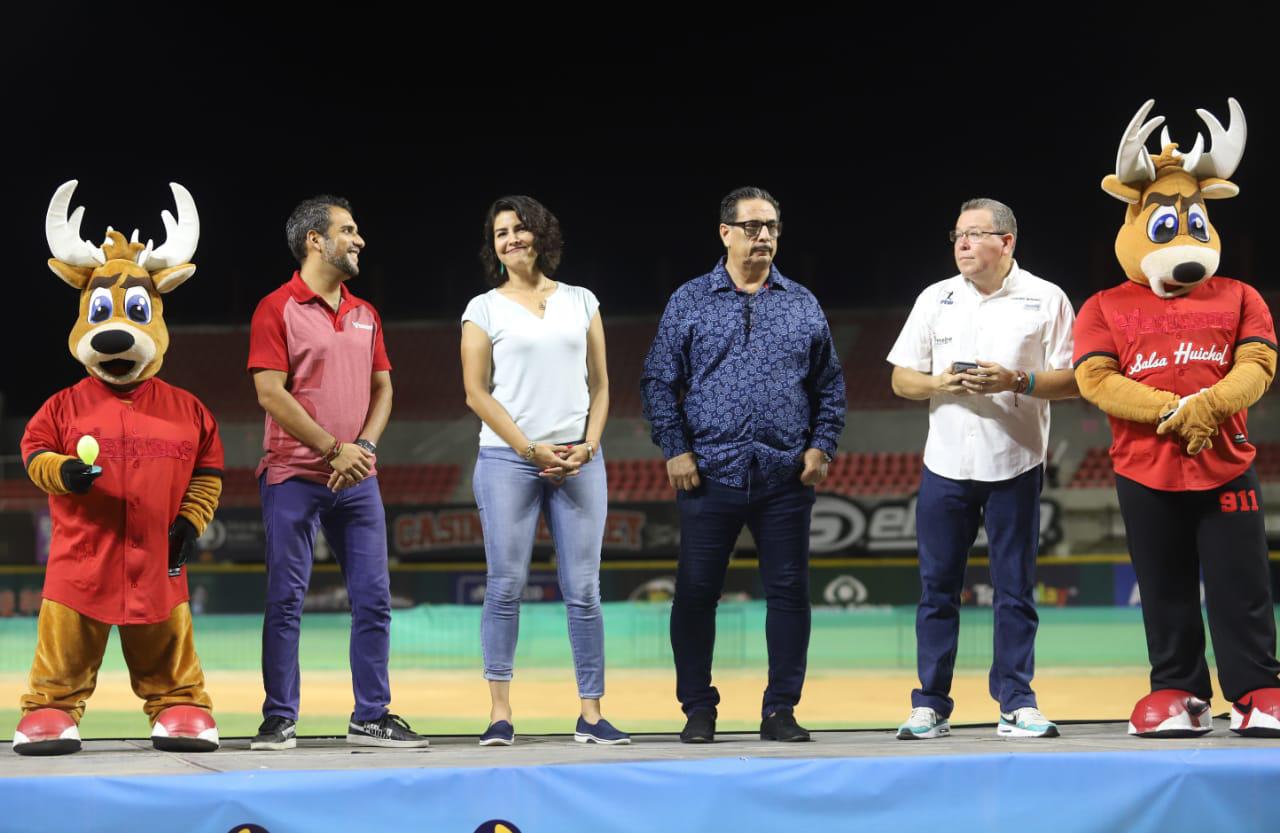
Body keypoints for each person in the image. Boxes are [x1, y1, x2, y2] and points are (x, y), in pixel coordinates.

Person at [641, 186, 846, 744]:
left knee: (789, 594)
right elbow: (659, 381)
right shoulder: (689, 300)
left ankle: (780, 708)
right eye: (753, 226)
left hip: (785, 477)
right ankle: (697, 709)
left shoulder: (802, 302)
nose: (765, 236)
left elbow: (829, 384)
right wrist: (675, 449)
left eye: (773, 226)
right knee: (695, 594)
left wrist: (821, 445)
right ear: (725, 232)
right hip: (709, 473)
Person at [886, 197, 1077, 740]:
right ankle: (930, 704)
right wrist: (941, 382)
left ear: (1007, 242)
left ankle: (1016, 701)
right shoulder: (935, 298)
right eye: (957, 235)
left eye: (974, 235)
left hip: (1015, 462)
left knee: (1015, 589)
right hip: (945, 464)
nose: (962, 244)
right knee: (936, 589)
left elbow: (1075, 379)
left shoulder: (1047, 299)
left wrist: (1015, 381)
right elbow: (902, 379)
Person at [247, 195, 427, 750]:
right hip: (294, 475)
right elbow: (269, 393)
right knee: (286, 601)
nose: (359, 240)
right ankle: (280, 718)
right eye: (348, 230)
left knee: (374, 599)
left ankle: (371, 714)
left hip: (358, 478)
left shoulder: (366, 313)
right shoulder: (275, 308)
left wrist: (364, 448)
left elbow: (384, 389)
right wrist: (333, 449)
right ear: (315, 240)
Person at [461, 195, 628, 746]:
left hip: (580, 459)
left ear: (540, 235)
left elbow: (601, 384)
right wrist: (531, 450)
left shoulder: (582, 300)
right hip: (509, 460)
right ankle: (499, 715)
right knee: (505, 586)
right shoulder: (482, 309)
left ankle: (591, 713)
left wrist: (589, 444)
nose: (510, 239)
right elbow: (476, 393)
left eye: (519, 229)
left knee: (583, 590)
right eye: (500, 232)